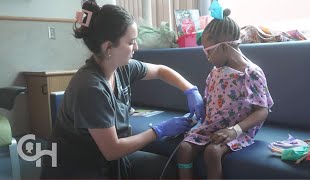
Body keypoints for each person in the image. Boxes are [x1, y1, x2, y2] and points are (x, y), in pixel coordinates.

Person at [40, 1, 205, 179]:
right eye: (131, 42)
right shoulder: (90, 88)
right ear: (108, 47)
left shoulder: (121, 67)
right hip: (80, 167)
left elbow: (160, 71)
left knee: (164, 170)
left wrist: (190, 90)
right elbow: (112, 150)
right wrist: (159, 131)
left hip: (106, 160)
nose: (136, 48)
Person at [176, 8, 274, 179]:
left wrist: (234, 130)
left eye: (207, 51)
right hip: (213, 126)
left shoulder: (251, 73)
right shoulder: (215, 73)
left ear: (223, 46)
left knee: (212, 152)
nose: (207, 57)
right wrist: (192, 118)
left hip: (238, 130)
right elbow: (209, 103)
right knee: (184, 148)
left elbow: (262, 111)